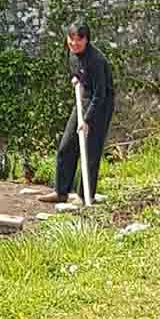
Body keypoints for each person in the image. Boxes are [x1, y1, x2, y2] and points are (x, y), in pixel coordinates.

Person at [40, 22, 115, 206]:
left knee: (90, 150)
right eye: (71, 41)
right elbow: (77, 71)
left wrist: (87, 120)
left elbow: (100, 94)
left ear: (86, 40)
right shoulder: (72, 53)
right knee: (67, 145)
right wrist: (76, 78)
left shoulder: (97, 60)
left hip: (101, 104)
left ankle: (85, 196)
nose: (74, 45)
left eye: (78, 42)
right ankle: (61, 191)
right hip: (83, 99)